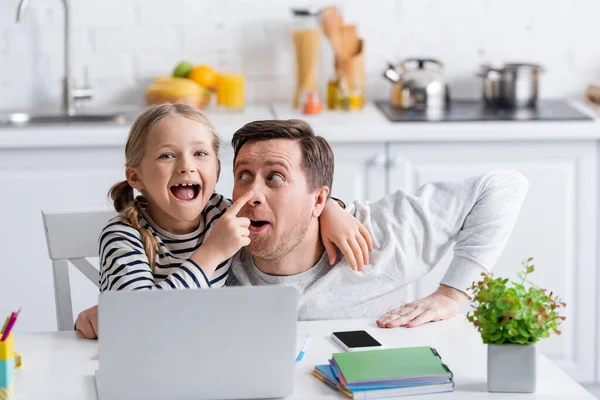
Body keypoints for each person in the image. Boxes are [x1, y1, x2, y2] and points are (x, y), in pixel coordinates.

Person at [75, 104, 372, 339]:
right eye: (167, 155)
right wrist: (212, 252)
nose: (186, 167)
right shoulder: (124, 235)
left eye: (200, 153)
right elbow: (139, 324)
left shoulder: (221, 213)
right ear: (135, 176)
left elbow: (288, 205)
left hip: (209, 357)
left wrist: (332, 209)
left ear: (217, 171)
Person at [225, 119, 529, 329]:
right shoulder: (215, 238)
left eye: (275, 177)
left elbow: (503, 187)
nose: (252, 195)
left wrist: (451, 295)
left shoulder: (380, 236)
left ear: (317, 201)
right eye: (244, 175)